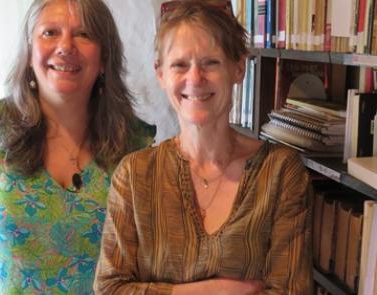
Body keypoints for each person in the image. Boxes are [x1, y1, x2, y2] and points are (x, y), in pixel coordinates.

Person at [94, 1, 313, 294]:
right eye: (180, 65)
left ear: (238, 68)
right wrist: (216, 290)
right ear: (161, 74)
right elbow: (110, 288)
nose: (195, 79)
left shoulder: (281, 172)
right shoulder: (134, 175)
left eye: (211, 62)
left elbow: (290, 291)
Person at [0, 0, 154, 294]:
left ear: (104, 57)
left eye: (84, 34)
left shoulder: (136, 147)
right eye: (50, 32)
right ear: (28, 52)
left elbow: (149, 265)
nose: (66, 46)